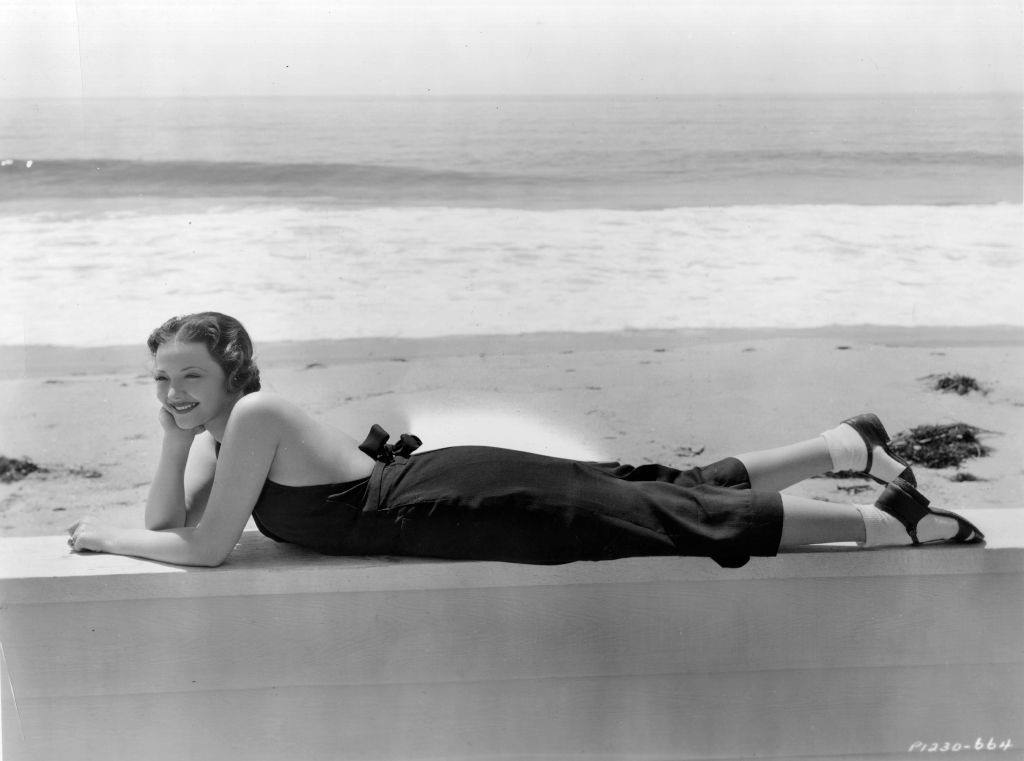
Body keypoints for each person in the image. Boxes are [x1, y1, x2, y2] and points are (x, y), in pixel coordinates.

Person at [67, 312, 984, 568]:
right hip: (438, 495)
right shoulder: (225, 437)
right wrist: (167, 438)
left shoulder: (258, 421)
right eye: (160, 378)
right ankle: (845, 445)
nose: (173, 391)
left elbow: (204, 548)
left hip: (453, 498)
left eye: (188, 376)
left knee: (668, 514)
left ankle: (898, 527)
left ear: (233, 374)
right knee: (662, 484)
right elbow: (171, 515)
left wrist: (104, 538)